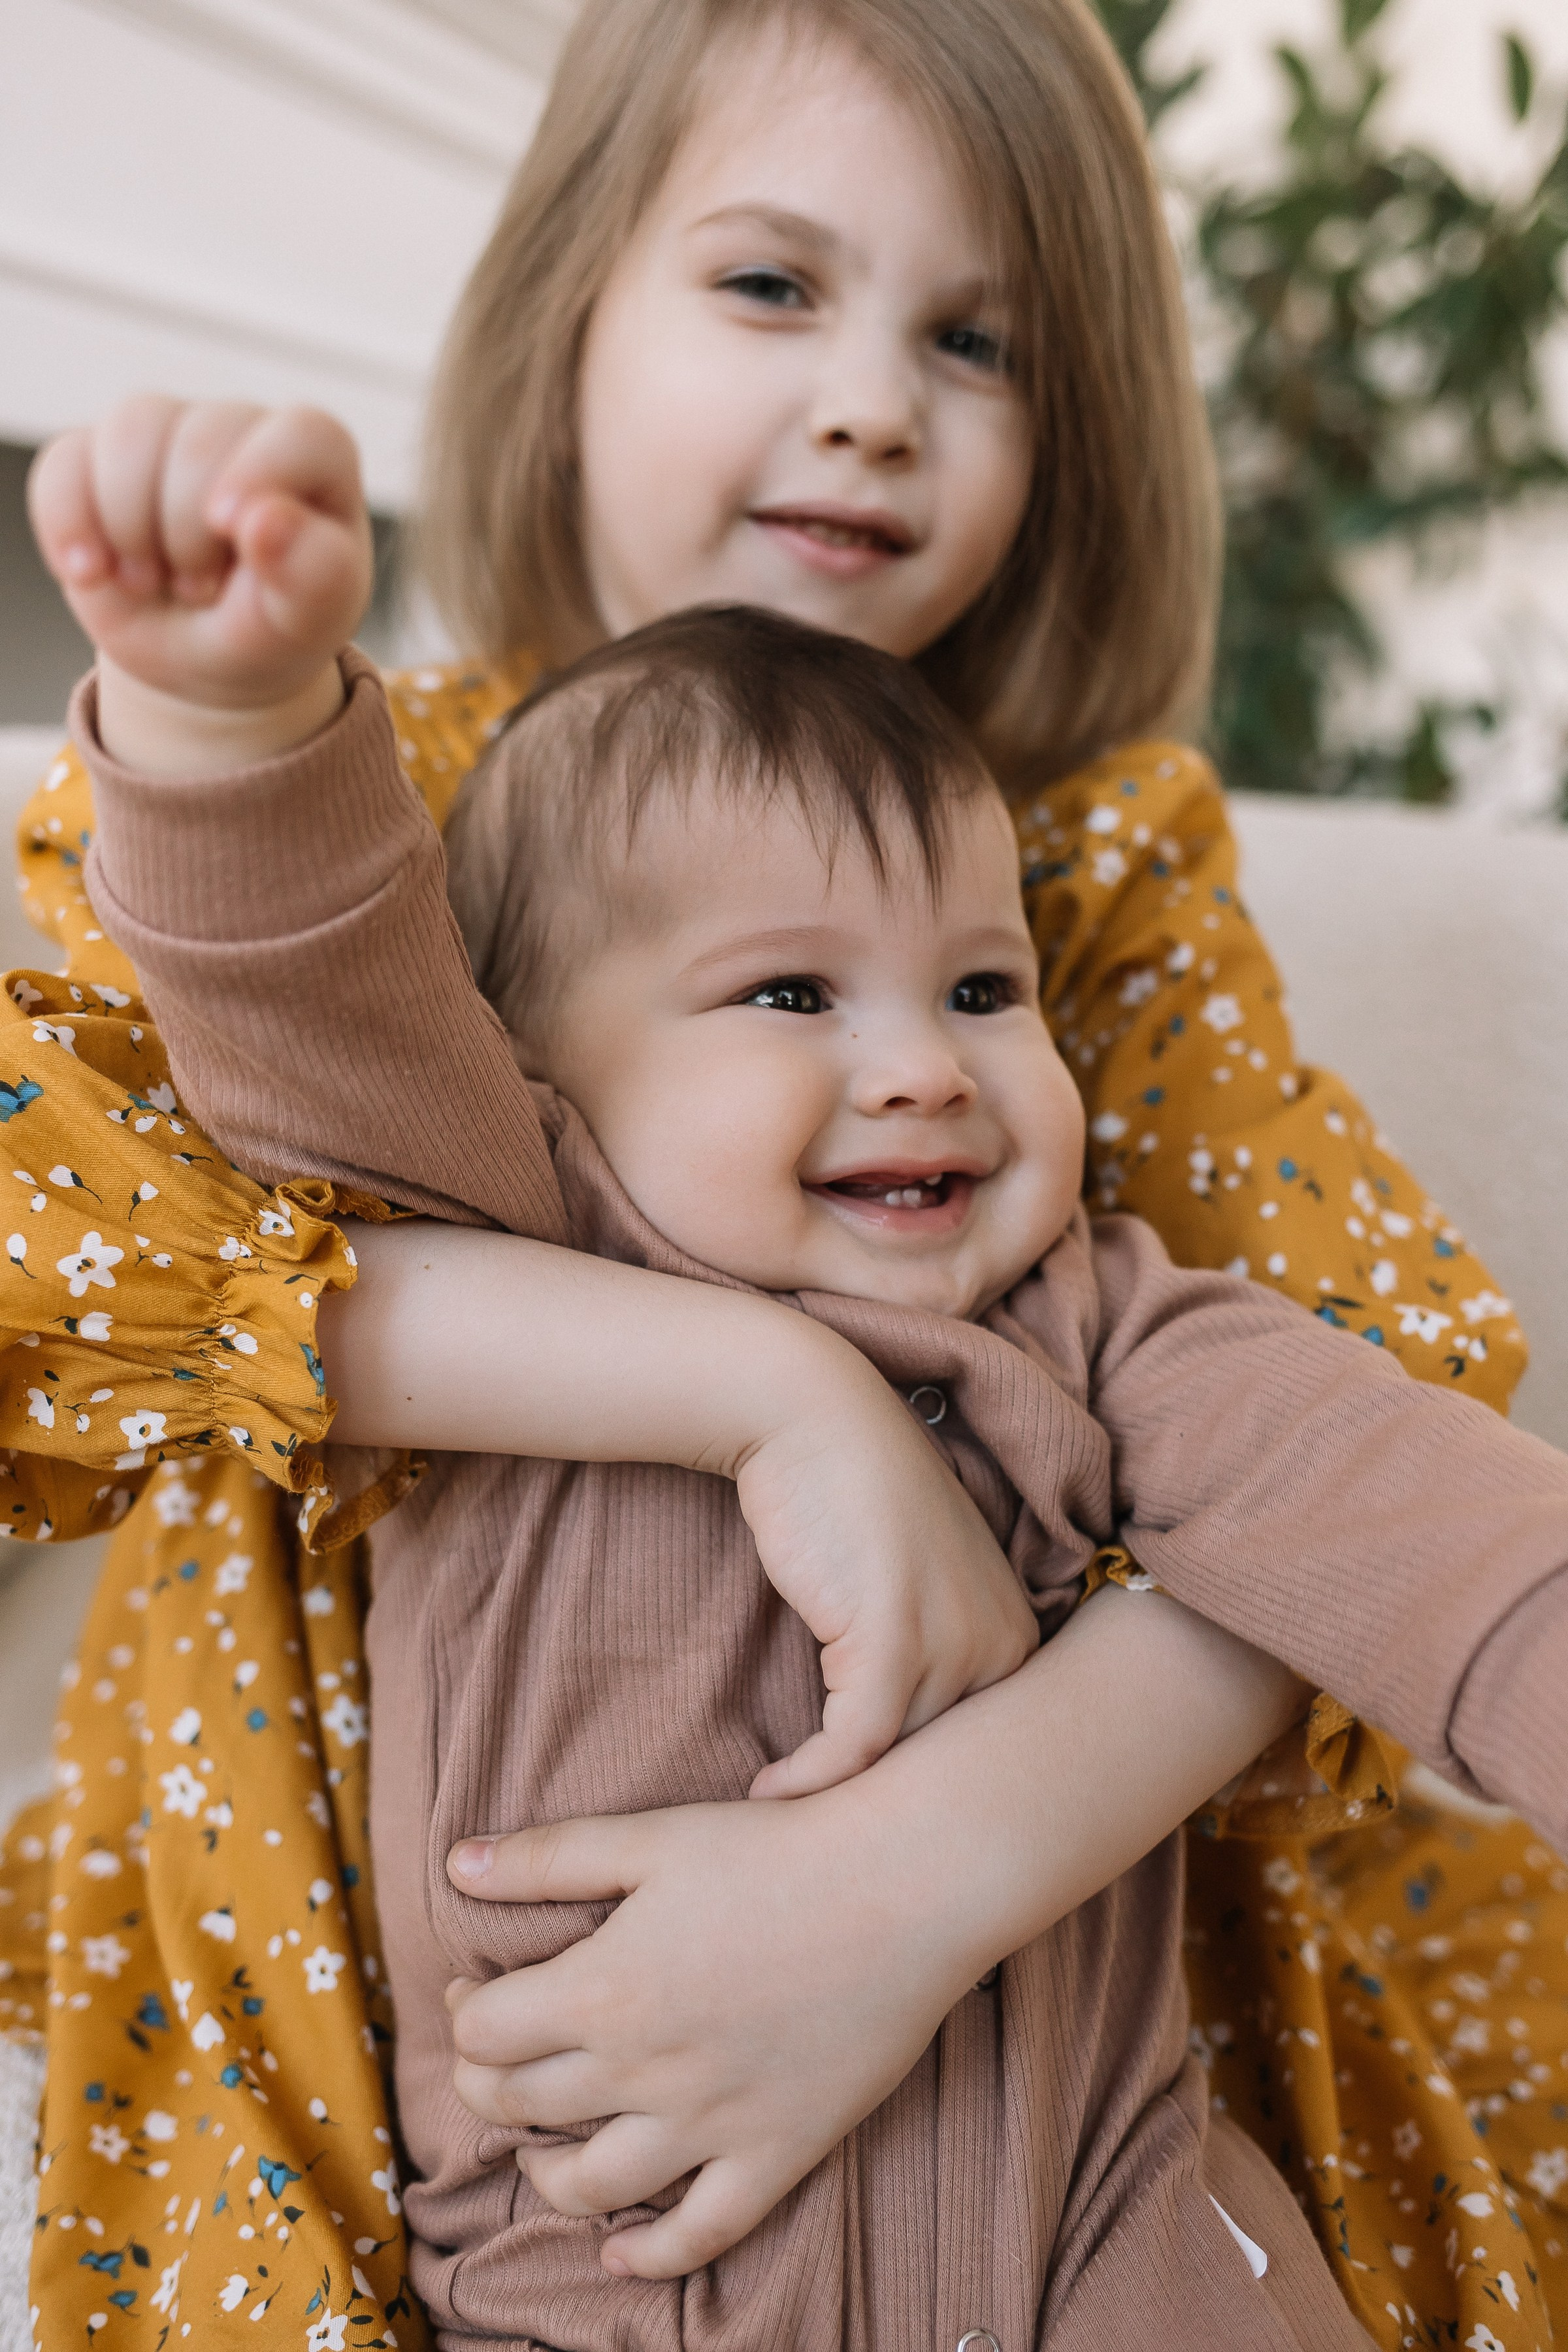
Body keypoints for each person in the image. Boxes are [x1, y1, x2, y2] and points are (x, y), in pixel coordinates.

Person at [5, 0, 1562, 2342]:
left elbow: (1369, 1452)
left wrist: (902, 1885)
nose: (872, 397)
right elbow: (205, 1164)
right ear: (571, 315)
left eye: (976, 336)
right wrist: (765, 1388)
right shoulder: (429, 864)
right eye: (769, 286)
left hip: (1077, 2116)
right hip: (497, 2116)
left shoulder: (1090, 908)